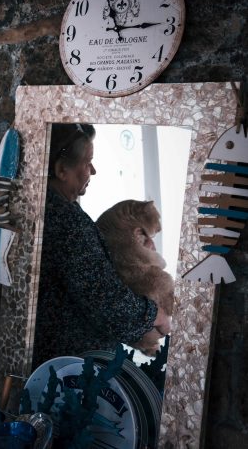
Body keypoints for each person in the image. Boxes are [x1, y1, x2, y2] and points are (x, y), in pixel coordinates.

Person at [31, 123, 170, 368]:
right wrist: (154, 314)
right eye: (87, 162)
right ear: (62, 169)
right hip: (69, 365)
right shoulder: (67, 223)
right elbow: (105, 300)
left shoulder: (45, 207)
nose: (93, 170)